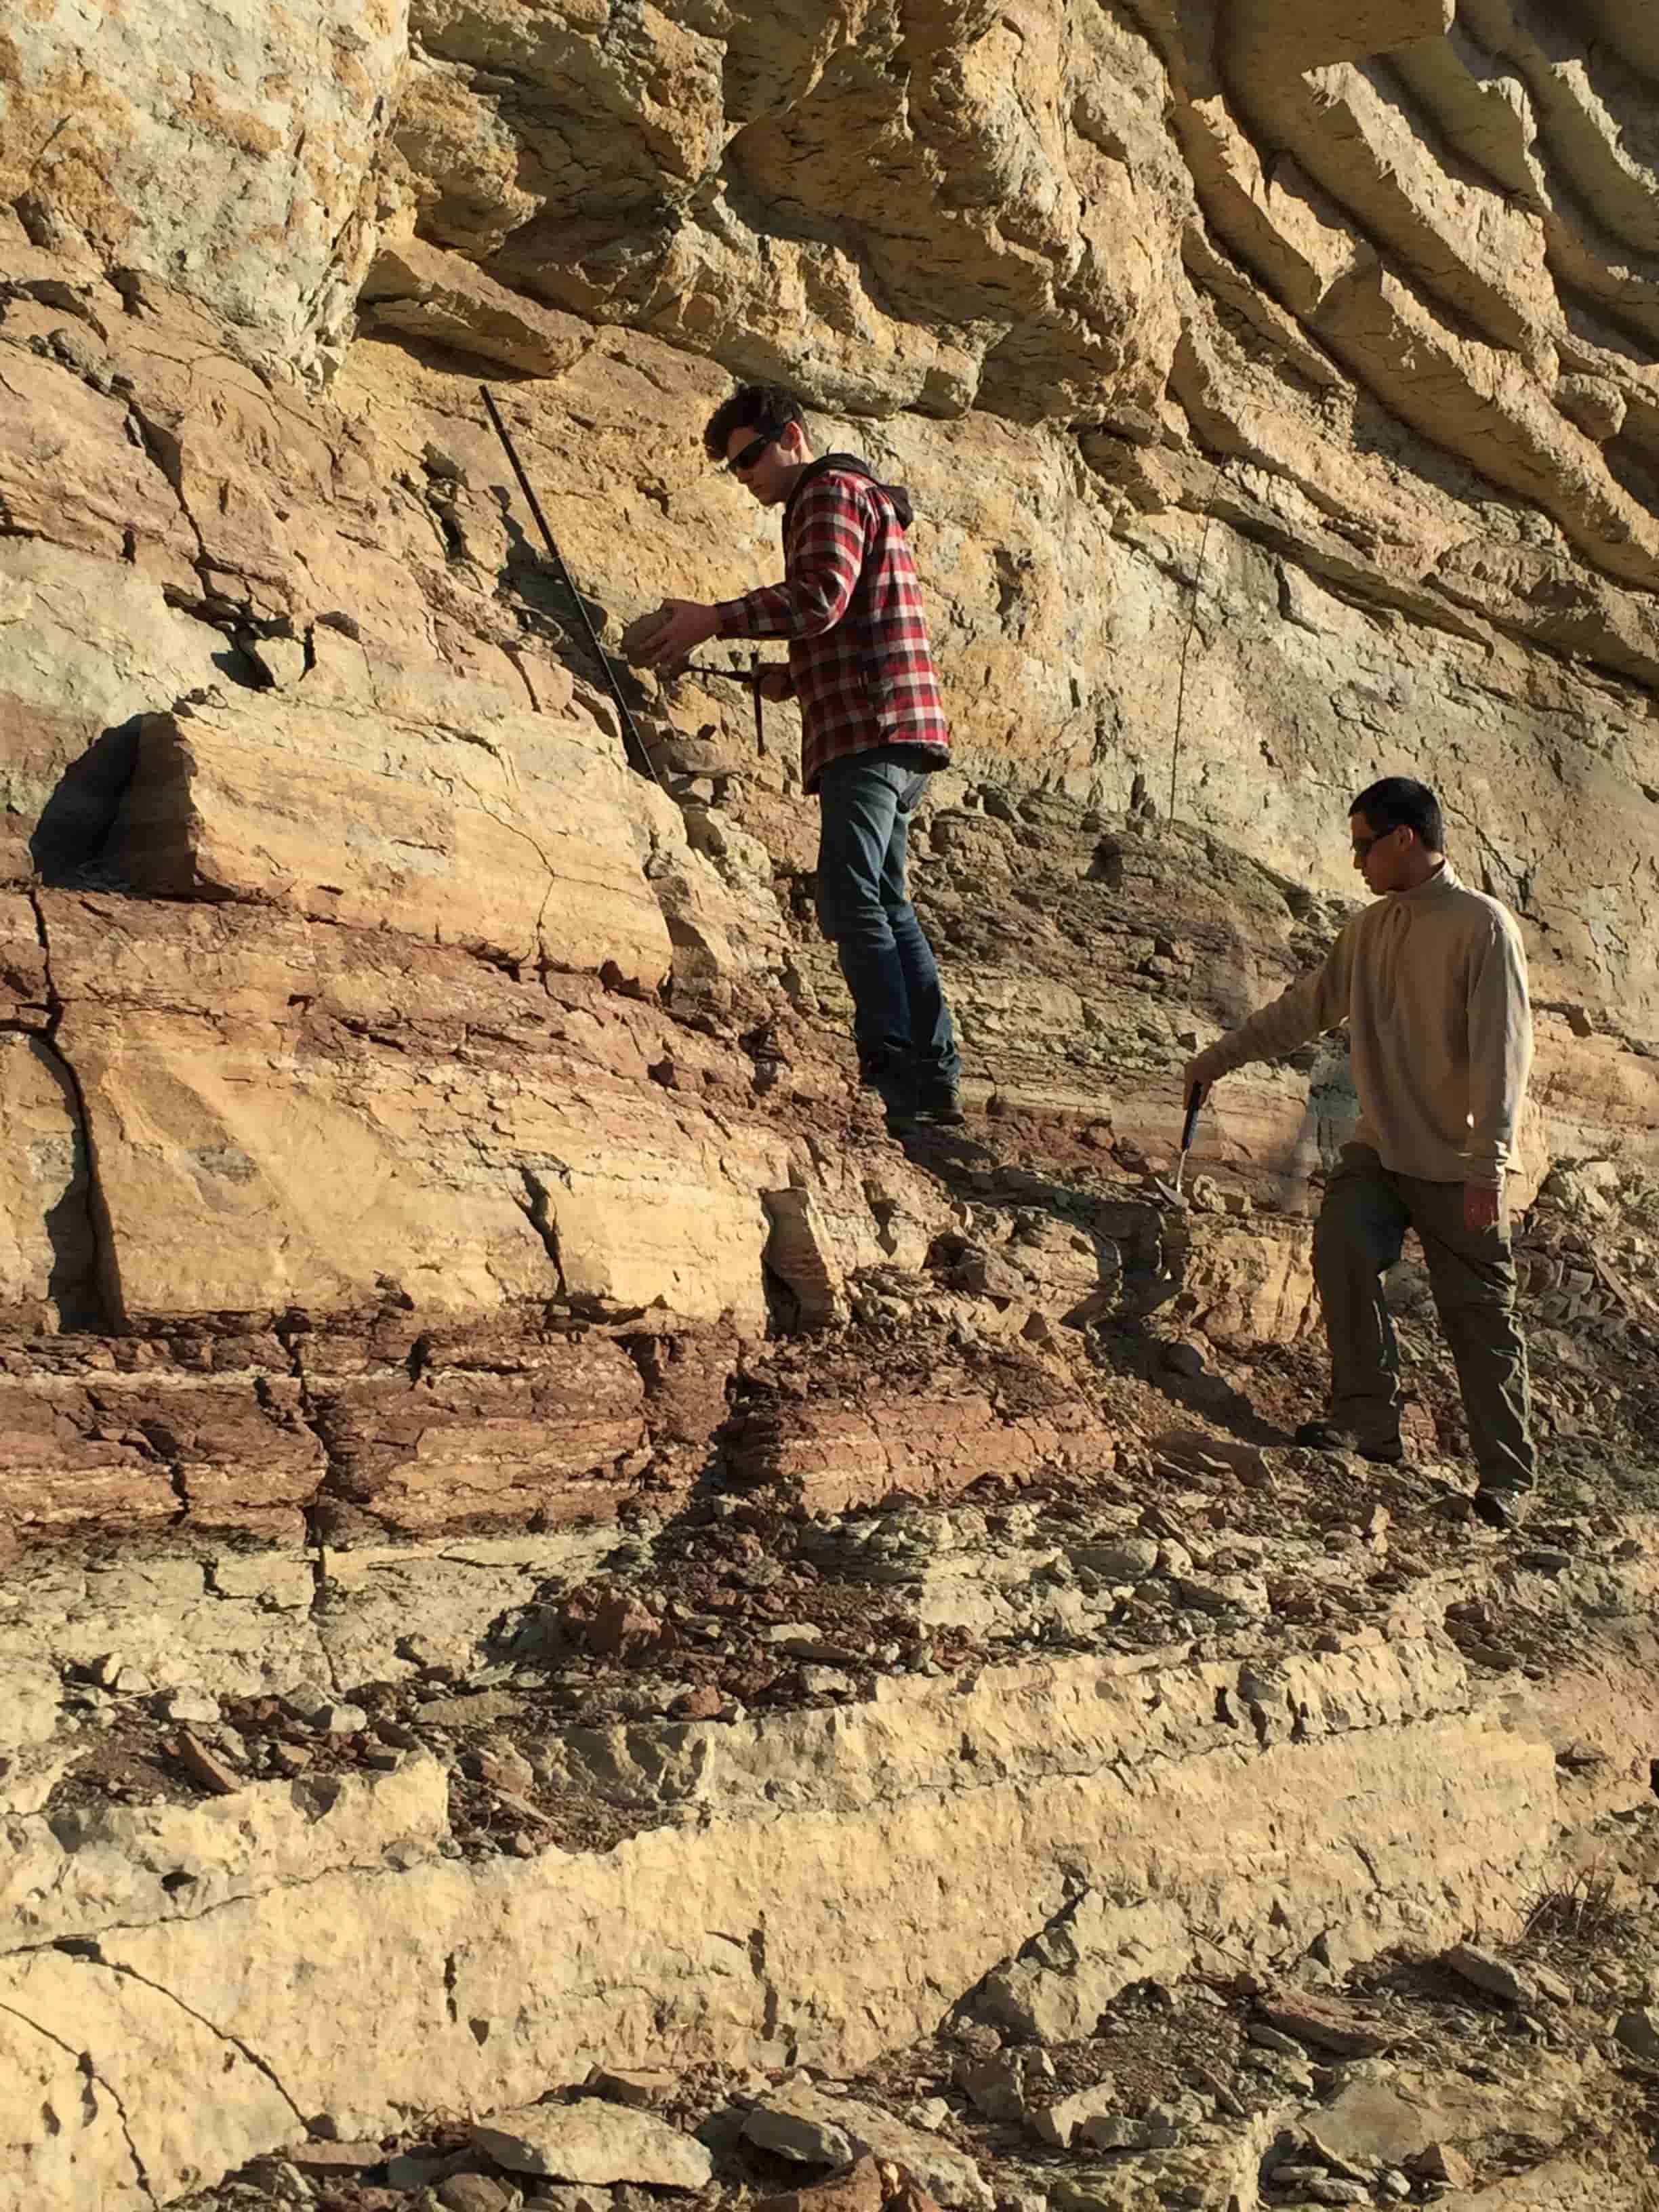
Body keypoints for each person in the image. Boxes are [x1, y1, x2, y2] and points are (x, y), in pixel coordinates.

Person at [1183, 777, 1536, 1529]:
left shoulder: (1484, 926)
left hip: (1459, 1160)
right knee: (1341, 1245)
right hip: (1380, 1149)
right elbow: (1303, 1011)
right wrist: (1218, 1058)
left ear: (1405, 838)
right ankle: (1368, 1425)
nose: (1356, 862)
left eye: (1363, 845)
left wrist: (1488, 1166)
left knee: (1479, 1317)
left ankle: (1508, 1477)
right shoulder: (1370, 930)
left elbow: (1505, 1057)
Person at [640, 382, 963, 1132]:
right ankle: (934, 1074)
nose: (744, 473)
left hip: (870, 733)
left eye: (750, 456)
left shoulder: (824, 494)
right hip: (896, 729)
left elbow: (821, 597)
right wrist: (796, 675)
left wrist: (714, 619)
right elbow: (849, 615)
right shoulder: (862, 495)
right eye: (732, 466)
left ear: (791, 436)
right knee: (886, 901)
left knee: (852, 901)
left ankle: (893, 1071)